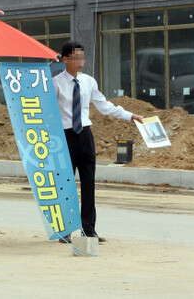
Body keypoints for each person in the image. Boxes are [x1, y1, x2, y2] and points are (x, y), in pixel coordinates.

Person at [53, 41, 143, 244]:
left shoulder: (88, 82)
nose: (80, 61)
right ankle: (65, 230)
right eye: (76, 57)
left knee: (88, 184)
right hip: (65, 137)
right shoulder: (56, 83)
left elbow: (105, 106)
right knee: (65, 185)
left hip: (85, 136)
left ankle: (89, 230)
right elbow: (47, 111)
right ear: (65, 59)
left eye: (82, 57)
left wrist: (130, 116)